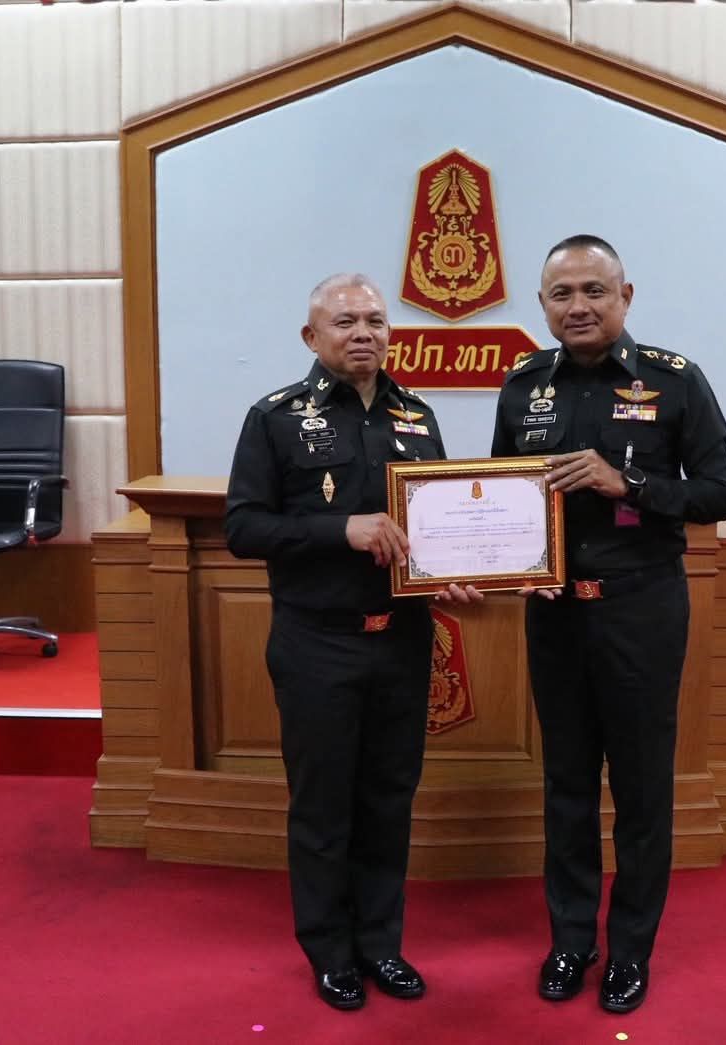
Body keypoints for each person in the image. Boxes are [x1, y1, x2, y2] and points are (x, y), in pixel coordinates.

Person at [491, 235, 726, 1014]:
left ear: (624, 296)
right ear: (542, 305)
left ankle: (630, 949)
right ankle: (571, 940)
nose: (578, 306)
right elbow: (502, 494)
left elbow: (717, 493)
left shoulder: (673, 380)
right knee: (565, 784)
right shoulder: (522, 385)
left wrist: (624, 480)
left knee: (639, 787)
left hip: (640, 609)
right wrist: (504, 562)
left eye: (593, 290)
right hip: (554, 614)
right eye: (561, 294)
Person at [224, 273, 478, 1012]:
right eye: (344, 322)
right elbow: (244, 528)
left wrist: (450, 574)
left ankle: (381, 945)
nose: (363, 332)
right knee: (323, 805)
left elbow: (433, 526)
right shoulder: (275, 418)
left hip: (402, 640)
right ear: (312, 336)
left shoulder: (417, 415)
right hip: (318, 642)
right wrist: (341, 529)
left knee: (389, 798)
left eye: (375, 320)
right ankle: (330, 952)